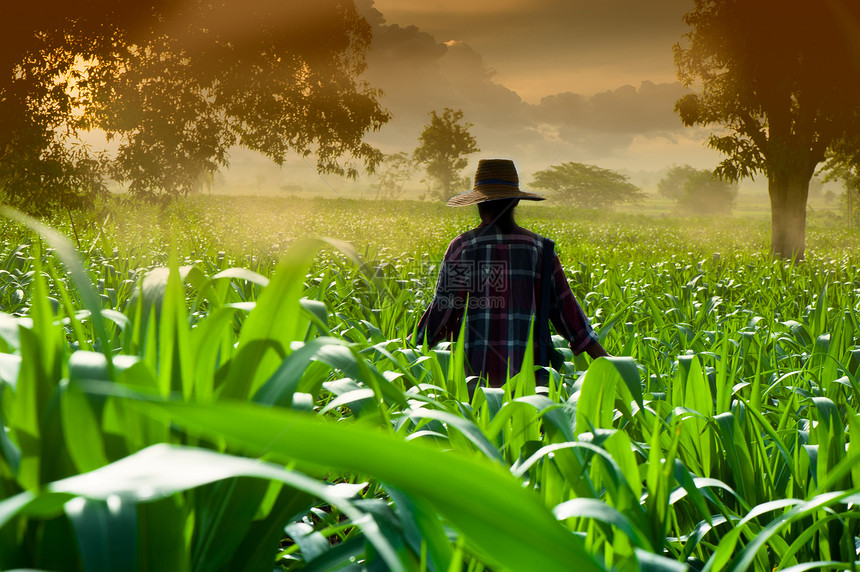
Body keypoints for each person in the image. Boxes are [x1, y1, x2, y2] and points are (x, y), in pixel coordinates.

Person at [413, 158, 608, 389]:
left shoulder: (463, 247)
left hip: (474, 382)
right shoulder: (541, 250)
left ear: (479, 205)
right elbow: (570, 317)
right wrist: (608, 362)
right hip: (532, 386)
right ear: (516, 202)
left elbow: (441, 312)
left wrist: (410, 349)